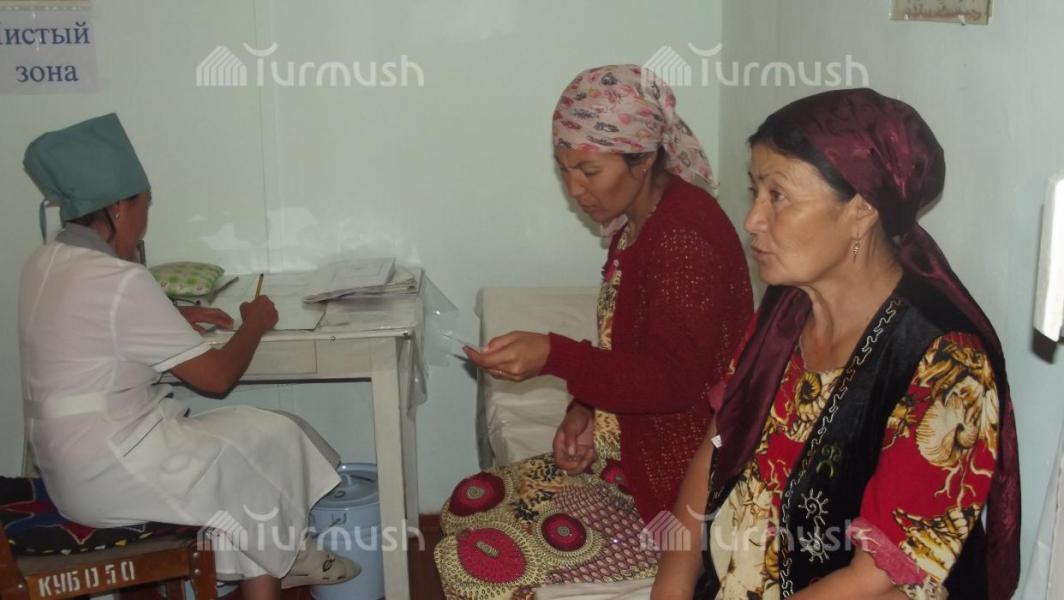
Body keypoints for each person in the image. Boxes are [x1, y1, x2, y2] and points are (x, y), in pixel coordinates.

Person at [652, 89, 1021, 600]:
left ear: (862, 209)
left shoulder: (944, 361)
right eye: (755, 192)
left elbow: (877, 577)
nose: (753, 219)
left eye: (778, 195)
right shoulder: (787, 310)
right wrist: (670, 588)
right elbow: (716, 447)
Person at [434, 65, 752, 599]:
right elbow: (627, 347)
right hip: (630, 456)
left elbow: (674, 382)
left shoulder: (684, 240)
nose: (574, 189)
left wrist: (554, 355)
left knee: (472, 568)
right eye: (564, 171)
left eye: (588, 171)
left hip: (674, 495)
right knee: (465, 505)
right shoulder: (638, 221)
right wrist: (585, 406)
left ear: (643, 159)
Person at [18, 114, 358, 600]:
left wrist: (171, 314)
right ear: (118, 208)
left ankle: (285, 558)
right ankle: (288, 557)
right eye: (144, 203)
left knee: (252, 444)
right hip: (113, 472)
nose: (145, 219)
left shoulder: (44, 262)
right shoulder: (120, 281)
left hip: (65, 468)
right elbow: (216, 378)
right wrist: (256, 323)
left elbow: (90, 330)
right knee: (265, 441)